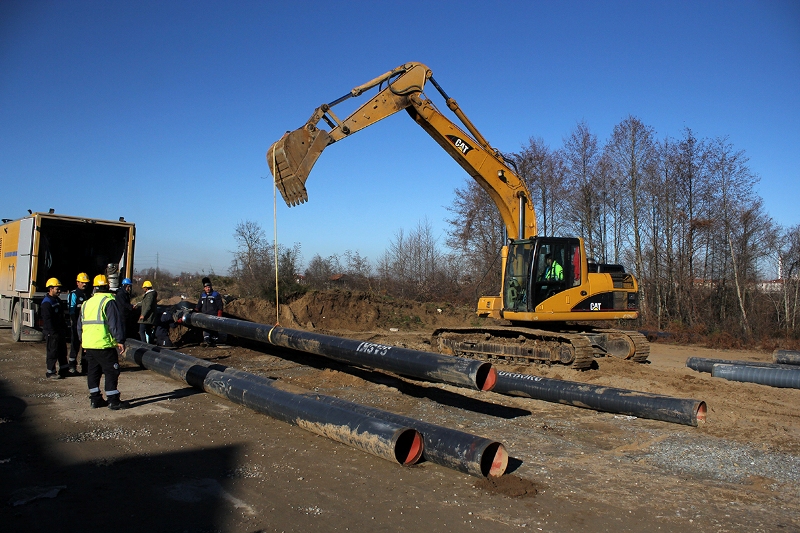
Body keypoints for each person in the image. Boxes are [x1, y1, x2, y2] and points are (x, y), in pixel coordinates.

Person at [78, 274, 128, 409]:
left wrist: (83, 342)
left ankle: (95, 399)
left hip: (89, 344)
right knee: (111, 371)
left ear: (94, 287)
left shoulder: (86, 303)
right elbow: (114, 324)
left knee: (93, 372)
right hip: (104, 344)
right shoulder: (108, 302)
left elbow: (80, 325)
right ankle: (113, 400)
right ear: (107, 286)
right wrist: (120, 340)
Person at [42, 278, 68, 379]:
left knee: (62, 351)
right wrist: (52, 332)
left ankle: (64, 370)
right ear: (51, 289)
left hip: (59, 331)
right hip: (52, 332)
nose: (59, 291)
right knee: (52, 351)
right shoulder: (47, 303)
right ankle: (50, 372)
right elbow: (47, 319)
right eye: (57, 289)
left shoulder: (57, 300)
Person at [68, 272, 91, 374]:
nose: (84, 284)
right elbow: (71, 310)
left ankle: (85, 367)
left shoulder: (88, 295)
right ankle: (72, 367)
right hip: (76, 324)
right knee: (75, 346)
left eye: (86, 283)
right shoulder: (73, 294)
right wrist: (74, 323)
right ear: (77, 282)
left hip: (87, 325)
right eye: (82, 282)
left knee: (86, 346)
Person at [195, 277, 224, 346]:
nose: (208, 289)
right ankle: (207, 340)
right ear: (204, 288)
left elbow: (220, 305)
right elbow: (199, 304)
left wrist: (219, 313)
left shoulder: (215, 294)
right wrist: (196, 310)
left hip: (213, 314)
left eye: (209, 287)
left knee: (213, 328)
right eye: (206, 287)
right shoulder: (203, 295)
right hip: (205, 314)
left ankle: (214, 340)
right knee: (206, 328)